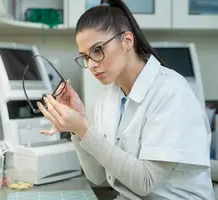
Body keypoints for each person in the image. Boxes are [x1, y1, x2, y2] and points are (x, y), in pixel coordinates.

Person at [36, 0, 215, 199]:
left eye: (97, 50)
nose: (91, 64)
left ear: (127, 41)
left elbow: (145, 182)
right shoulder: (109, 97)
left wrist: (84, 129)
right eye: (85, 56)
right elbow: (98, 177)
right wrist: (77, 129)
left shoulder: (171, 92)